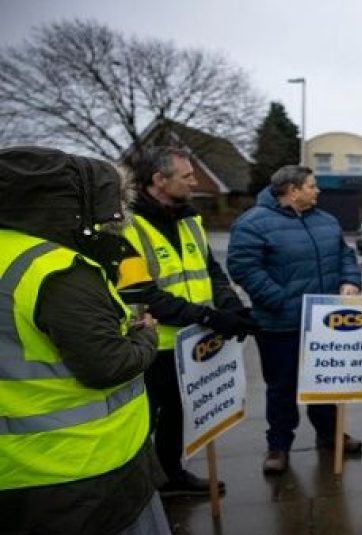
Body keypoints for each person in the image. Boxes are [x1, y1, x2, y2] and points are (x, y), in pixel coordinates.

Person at [0, 147, 170, 534]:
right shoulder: (58, 269)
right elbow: (106, 364)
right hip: (82, 470)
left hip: (19, 472)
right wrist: (145, 336)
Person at [124, 146, 257, 497]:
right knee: (141, 421)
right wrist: (209, 315)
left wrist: (231, 306)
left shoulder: (190, 219)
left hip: (192, 342)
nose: (195, 181)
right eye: (187, 176)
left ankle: (170, 475)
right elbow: (142, 294)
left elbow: (211, 271)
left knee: (180, 415)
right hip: (150, 345)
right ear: (159, 180)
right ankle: (134, 488)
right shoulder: (128, 227)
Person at [227, 165, 362, 475]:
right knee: (281, 388)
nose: (318, 191)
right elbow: (243, 267)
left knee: (326, 383)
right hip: (279, 324)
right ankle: (278, 445)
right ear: (292, 190)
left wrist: (351, 281)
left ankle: (330, 434)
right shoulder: (252, 224)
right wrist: (280, 300)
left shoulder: (326, 220)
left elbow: (344, 255)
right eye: (312, 186)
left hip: (326, 322)